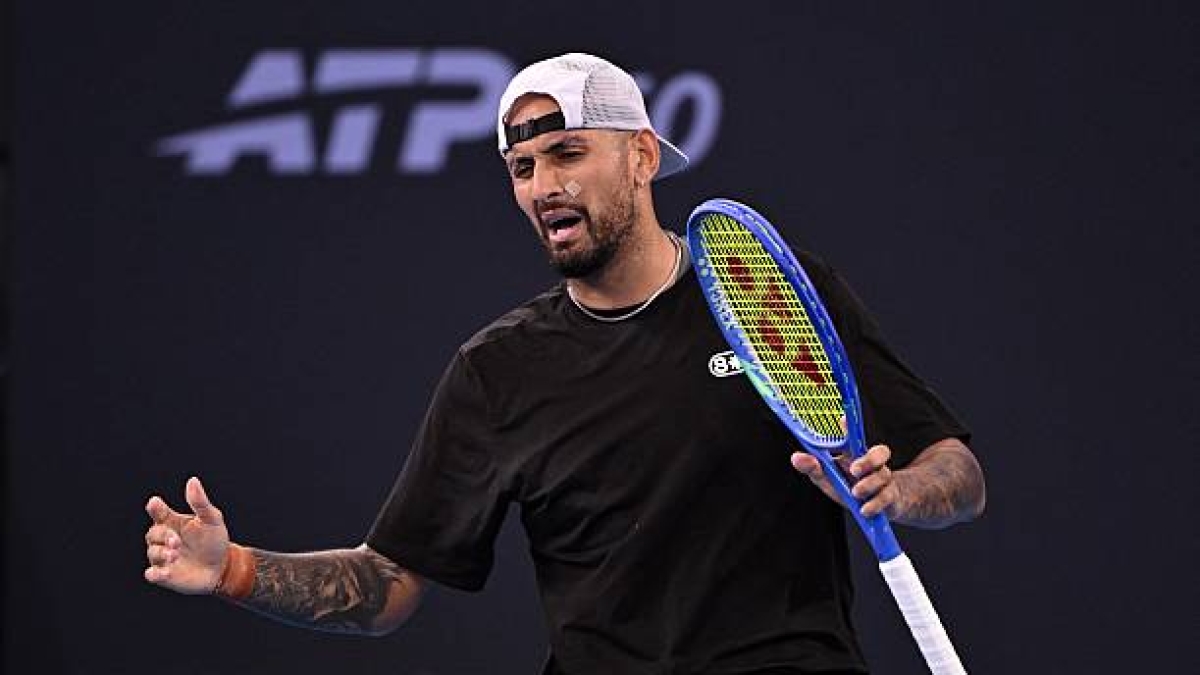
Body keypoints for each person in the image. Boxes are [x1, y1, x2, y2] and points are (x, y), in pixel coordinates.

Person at [143, 53, 985, 674]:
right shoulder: (497, 371)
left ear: (643, 157)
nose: (542, 184)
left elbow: (957, 469)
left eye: (568, 153)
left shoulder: (766, 292)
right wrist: (234, 570)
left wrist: (902, 490)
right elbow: (391, 581)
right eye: (521, 167)